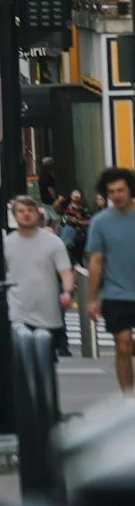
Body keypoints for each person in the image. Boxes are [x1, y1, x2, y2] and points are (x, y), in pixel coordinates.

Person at [5, 195, 72, 380]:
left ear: (37, 213)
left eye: (30, 211)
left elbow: (65, 271)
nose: (26, 215)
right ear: (14, 215)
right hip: (18, 310)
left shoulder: (53, 242)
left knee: (45, 366)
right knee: (21, 365)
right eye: (21, 211)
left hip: (47, 313)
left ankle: (48, 404)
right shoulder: (7, 244)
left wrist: (67, 291)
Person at [84, 166, 135, 397]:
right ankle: (129, 399)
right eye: (111, 191)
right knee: (123, 344)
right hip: (116, 293)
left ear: (130, 190)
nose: (116, 195)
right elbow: (96, 261)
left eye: (121, 190)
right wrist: (92, 298)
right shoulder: (100, 222)